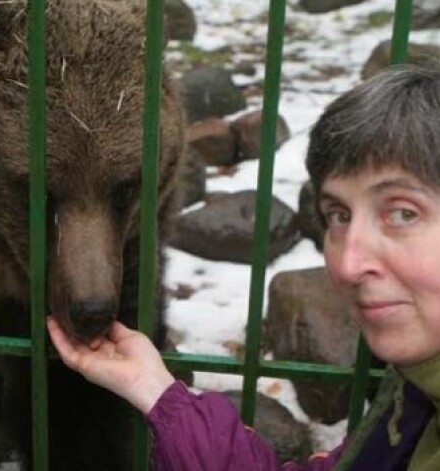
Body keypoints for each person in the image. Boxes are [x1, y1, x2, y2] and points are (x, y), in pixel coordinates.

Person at [47, 62, 440, 470]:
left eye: (403, 213)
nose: (349, 264)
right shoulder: (411, 405)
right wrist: (157, 390)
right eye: (338, 215)